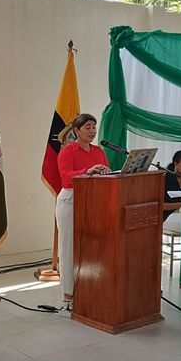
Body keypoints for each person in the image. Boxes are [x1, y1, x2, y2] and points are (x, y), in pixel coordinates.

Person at [56, 114, 109, 302]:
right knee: (69, 246)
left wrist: (105, 172)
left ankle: (89, 285)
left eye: (94, 126)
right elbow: (66, 178)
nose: (92, 131)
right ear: (76, 131)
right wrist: (87, 171)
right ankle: (69, 291)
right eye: (88, 127)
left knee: (91, 245)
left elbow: (106, 173)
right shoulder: (67, 151)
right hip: (70, 201)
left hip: (93, 200)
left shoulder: (99, 151)